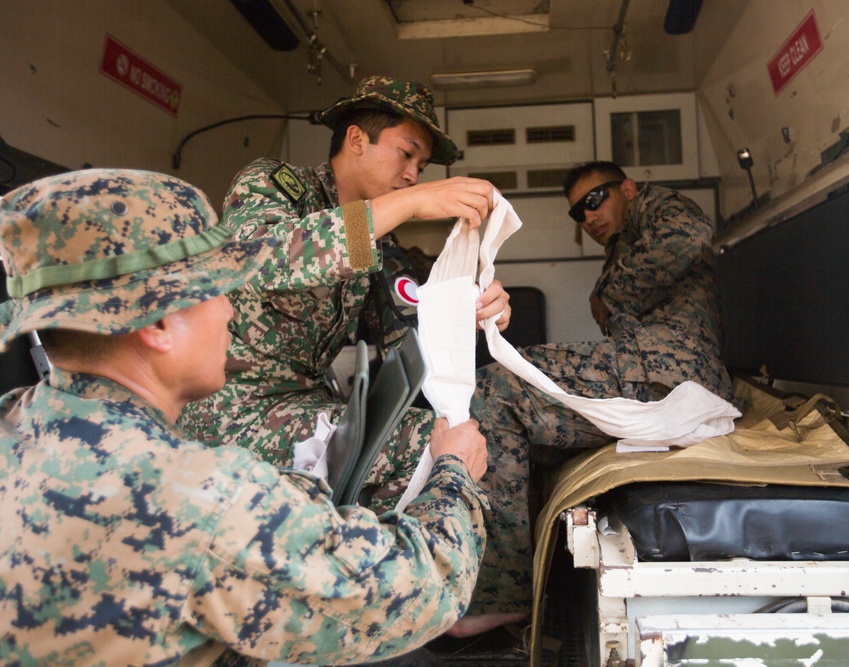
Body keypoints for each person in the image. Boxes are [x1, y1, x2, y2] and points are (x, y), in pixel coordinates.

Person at [0, 169, 490, 665]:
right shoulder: (202, 498)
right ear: (158, 324)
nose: (233, 312)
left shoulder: (15, 422)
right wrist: (453, 476)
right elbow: (420, 593)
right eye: (222, 290)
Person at [177, 76, 526, 636]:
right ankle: (421, 608)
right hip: (230, 405)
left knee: (452, 430)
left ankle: (455, 599)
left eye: (421, 166)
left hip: (304, 400)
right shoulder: (273, 185)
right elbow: (266, 259)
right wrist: (409, 204)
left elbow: (408, 328)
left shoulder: (379, 243)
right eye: (407, 155)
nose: (414, 174)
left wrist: (473, 306)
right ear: (358, 140)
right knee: (426, 448)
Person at [468, 161, 734, 614]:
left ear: (628, 188)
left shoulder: (658, 206)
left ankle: (499, 599)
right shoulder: (626, 242)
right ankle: (536, 573)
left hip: (669, 370)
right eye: (578, 213)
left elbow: (690, 233)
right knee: (519, 401)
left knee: (496, 389)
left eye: (595, 200)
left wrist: (608, 292)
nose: (588, 216)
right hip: (649, 368)